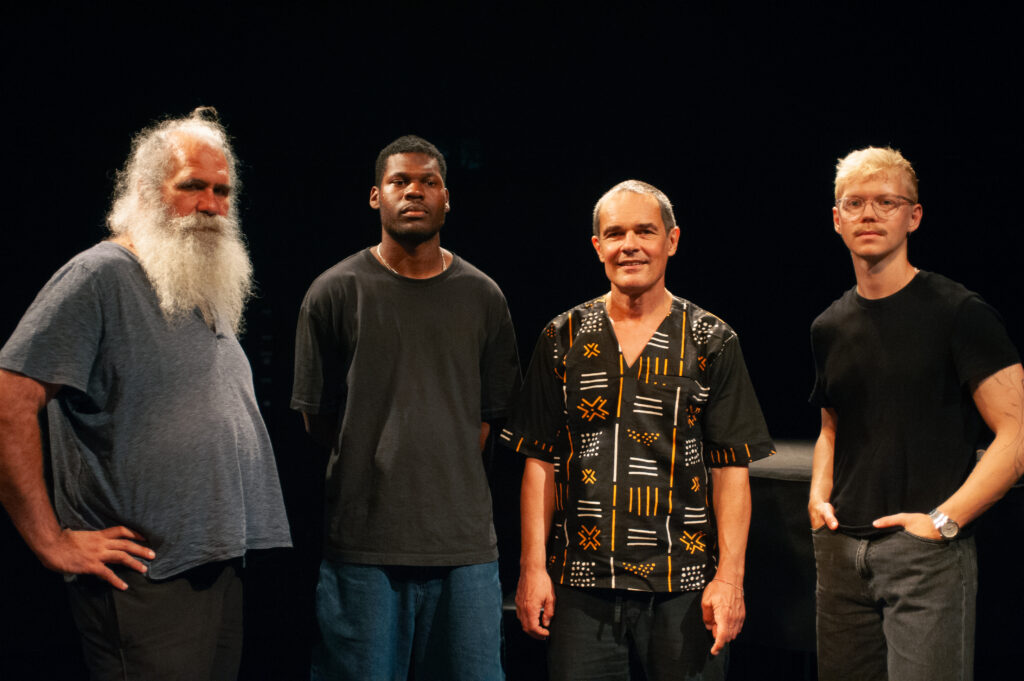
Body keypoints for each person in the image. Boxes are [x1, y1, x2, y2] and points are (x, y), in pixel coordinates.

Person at [0, 107, 292, 680]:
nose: (210, 204)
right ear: (145, 191)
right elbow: (10, 399)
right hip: (144, 577)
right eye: (192, 186)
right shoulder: (99, 275)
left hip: (213, 562)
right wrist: (51, 541)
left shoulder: (196, 287)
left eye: (222, 191)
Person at [505, 180, 774, 681]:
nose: (629, 245)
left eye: (644, 231)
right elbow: (539, 460)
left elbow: (731, 468)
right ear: (597, 246)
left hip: (683, 585)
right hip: (581, 585)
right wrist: (532, 568)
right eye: (615, 233)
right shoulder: (562, 336)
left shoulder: (710, 338)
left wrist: (730, 580)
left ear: (672, 240)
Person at [291, 134, 521, 681]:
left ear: (447, 199)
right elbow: (317, 418)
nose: (413, 191)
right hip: (363, 548)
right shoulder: (333, 292)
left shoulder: (483, 296)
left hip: (463, 547)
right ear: (376, 196)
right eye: (399, 181)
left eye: (428, 181)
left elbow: (489, 419)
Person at [808, 146, 1024, 681]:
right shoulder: (829, 326)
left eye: (887, 202)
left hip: (924, 558)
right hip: (841, 553)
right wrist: (817, 499)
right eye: (854, 203)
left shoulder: (960, 313)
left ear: (914, 216)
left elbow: (1017, 434)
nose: (869, 214)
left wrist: (941, 523)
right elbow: (832, 427)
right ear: (836, 219)